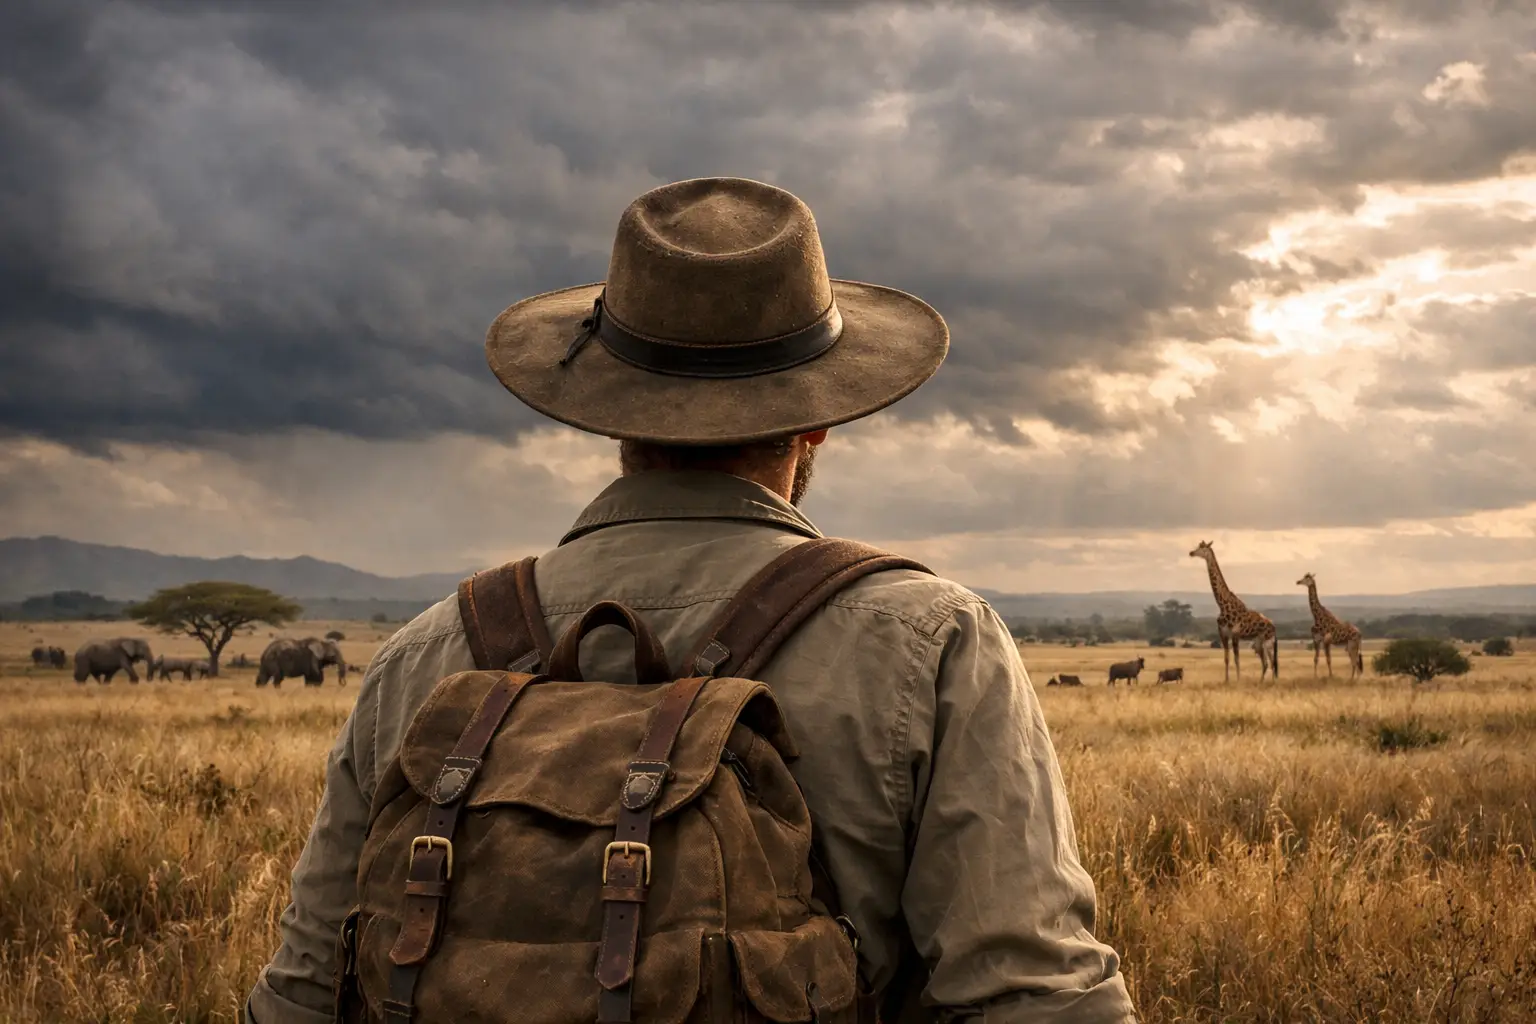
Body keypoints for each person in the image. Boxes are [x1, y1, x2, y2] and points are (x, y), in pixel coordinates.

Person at [247, 177, 1136, 1023]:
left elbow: (303, 994)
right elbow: (1036, 995)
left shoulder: (424, 656)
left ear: (607, 410)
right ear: (820, 419)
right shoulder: (929, 639)